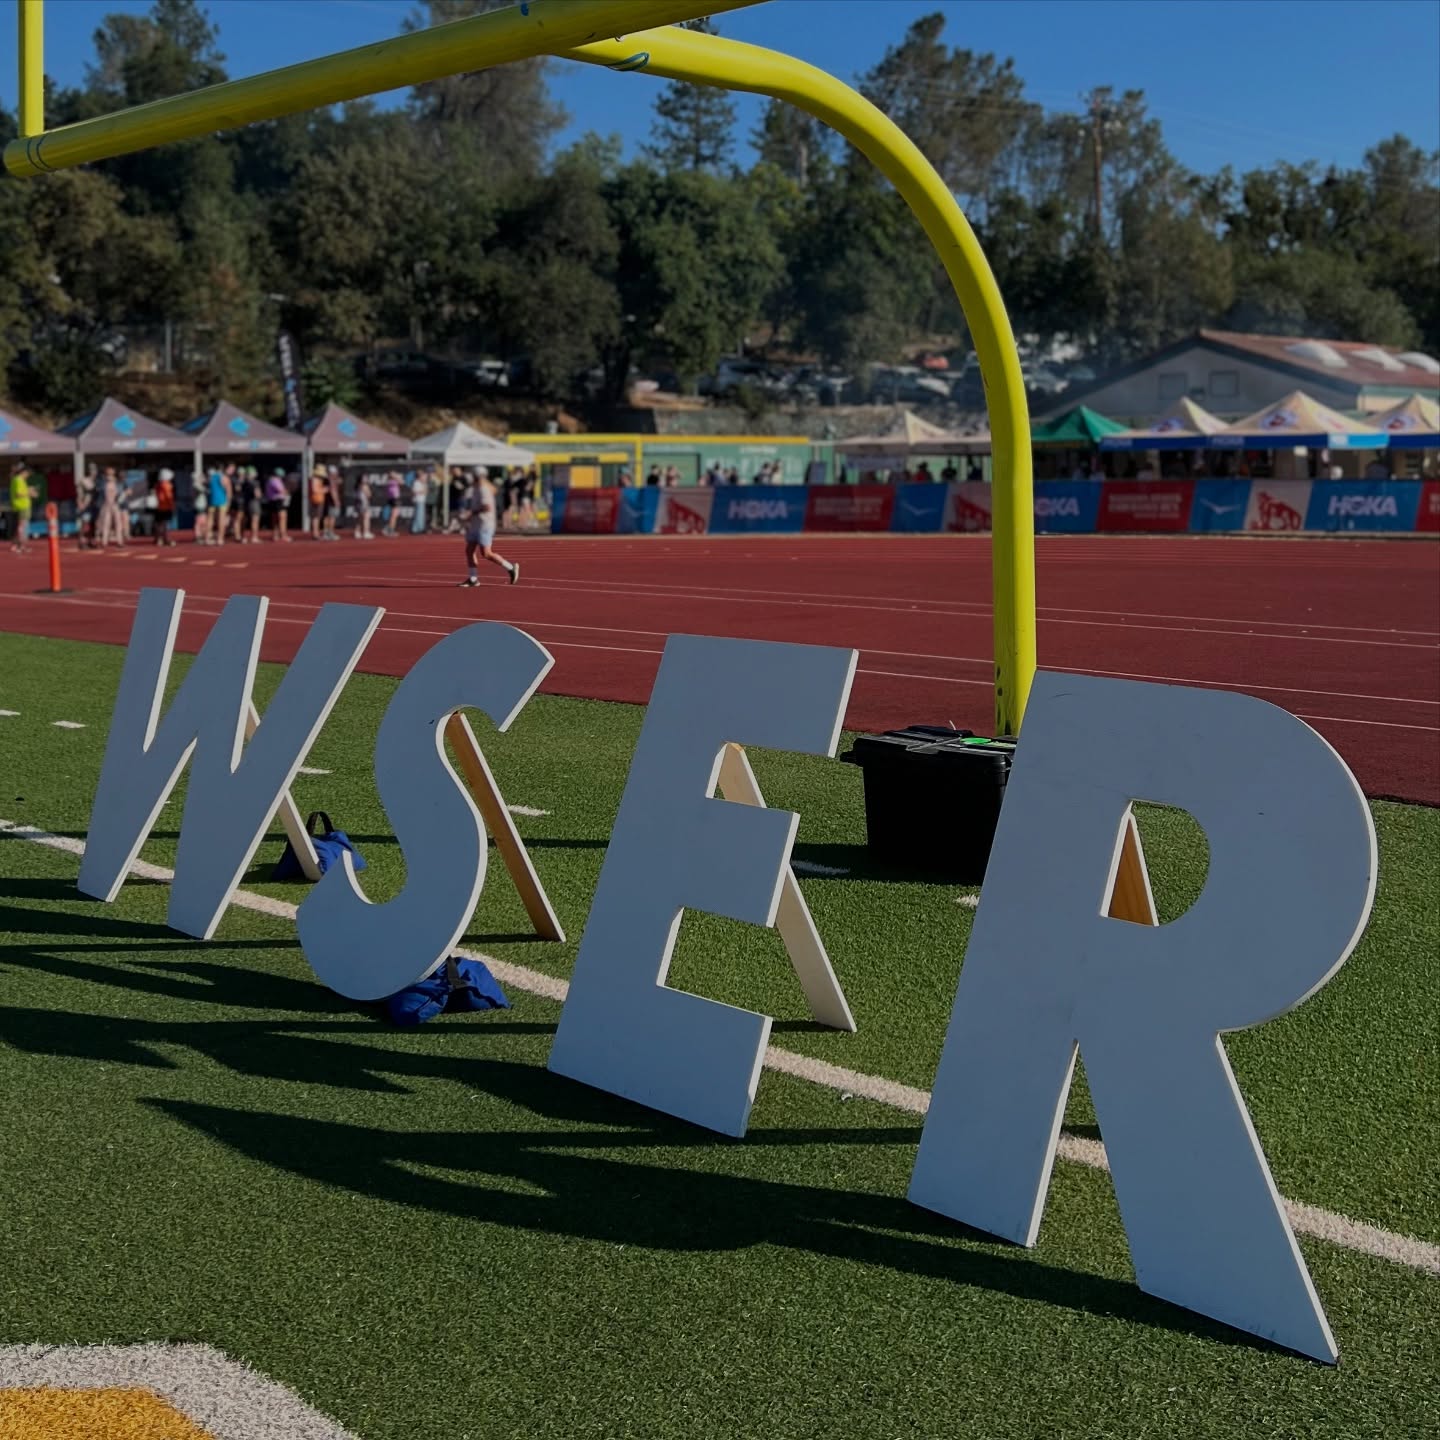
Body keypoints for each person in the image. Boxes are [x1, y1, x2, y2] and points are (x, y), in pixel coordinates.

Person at [457, 471, 519, 588]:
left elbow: (487, 507)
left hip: (485, 525)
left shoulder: (483, 490)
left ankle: (511, 568)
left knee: (486, 553)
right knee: (469, 550)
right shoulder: (475, 489)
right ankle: (473, 579)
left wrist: (471, 513)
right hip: (476, 524)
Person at [8, 465, 35, 553]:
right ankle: (20, 545)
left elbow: (20, 492)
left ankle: (17, 545)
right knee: (22, 527)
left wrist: (28, 490)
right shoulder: (18, 480)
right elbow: (18, 494)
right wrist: (29, 492)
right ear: (24, 472)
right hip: (22, 506)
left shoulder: (18, 480)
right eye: (28, 474)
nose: (28, 476)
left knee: (19, 527)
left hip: (21, 506)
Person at [96, 466, 125, 547]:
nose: (110, 473)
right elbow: (99, 490)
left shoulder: (118, 482)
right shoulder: (102, 482)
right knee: (106, 523)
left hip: (115, 504)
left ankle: (120, 541)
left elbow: (121, 492)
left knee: (118, 523)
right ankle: (104, 541)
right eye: (108, 471)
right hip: (106, 504)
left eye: (111, 471)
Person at [207, 464, 231, 545]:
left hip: (212, 501)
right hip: (221, 501)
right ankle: (220, 539)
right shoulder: (223, 477)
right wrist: (228, 502)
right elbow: (228, 491)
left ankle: (207, 538)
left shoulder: (211, 477)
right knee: (221, 520)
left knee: (210, 519)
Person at [264, 469, 290, 541]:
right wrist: (287, 491)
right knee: (282, 518)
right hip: (278, 501)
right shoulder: (274, 480)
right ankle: (283, 535)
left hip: (274, 501)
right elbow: (281, 490)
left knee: (275, 519)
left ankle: (275, 535)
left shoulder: (271, 480)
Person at [153, 468, 176, 546]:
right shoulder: (167, 485)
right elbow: (169, 497)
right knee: (165, 524)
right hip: (166, 507)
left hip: (159, 506)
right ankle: (166, 538)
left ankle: (159, 539)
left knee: (159, 523)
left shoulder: (158, 484)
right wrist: (172, 505)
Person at [355, 471, 374, 539]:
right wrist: (369, 491)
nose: (366, 479)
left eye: (366, 478)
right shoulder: (365, 486)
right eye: (365, 478)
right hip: (364, 503)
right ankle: (366, 532)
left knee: (360, 518)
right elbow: (369, 495)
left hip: (358, 503)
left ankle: (357, 532)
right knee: (366, 518)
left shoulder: (358, 485)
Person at [411, 468, 429, 535]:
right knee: (418, 515)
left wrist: (424, 485)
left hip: (422, 500)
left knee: (421, 515)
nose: (425, 478)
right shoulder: (416, 482)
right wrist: (422, 491)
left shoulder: (423, 483)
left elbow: (426, 491)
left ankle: (420, 528)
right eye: (423, 476)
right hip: (418, 500)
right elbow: (415, 492)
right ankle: (415, 529)